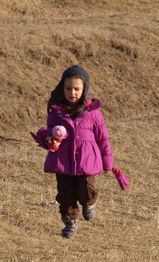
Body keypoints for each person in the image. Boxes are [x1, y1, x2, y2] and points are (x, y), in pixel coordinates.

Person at [32, 65, 114, 238]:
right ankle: (69, 221)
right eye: (68, 88)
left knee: (86, 189)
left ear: (84, 89)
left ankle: (89, 203)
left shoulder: (93, 112)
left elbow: (103, 138)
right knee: (65, 193)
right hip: (63, 161)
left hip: (86, 161)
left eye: (77, 89)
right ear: (62, 87)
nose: (72, 92)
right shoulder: (56, 111)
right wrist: (52, 136)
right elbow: (50, 132)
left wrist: (107, 162)